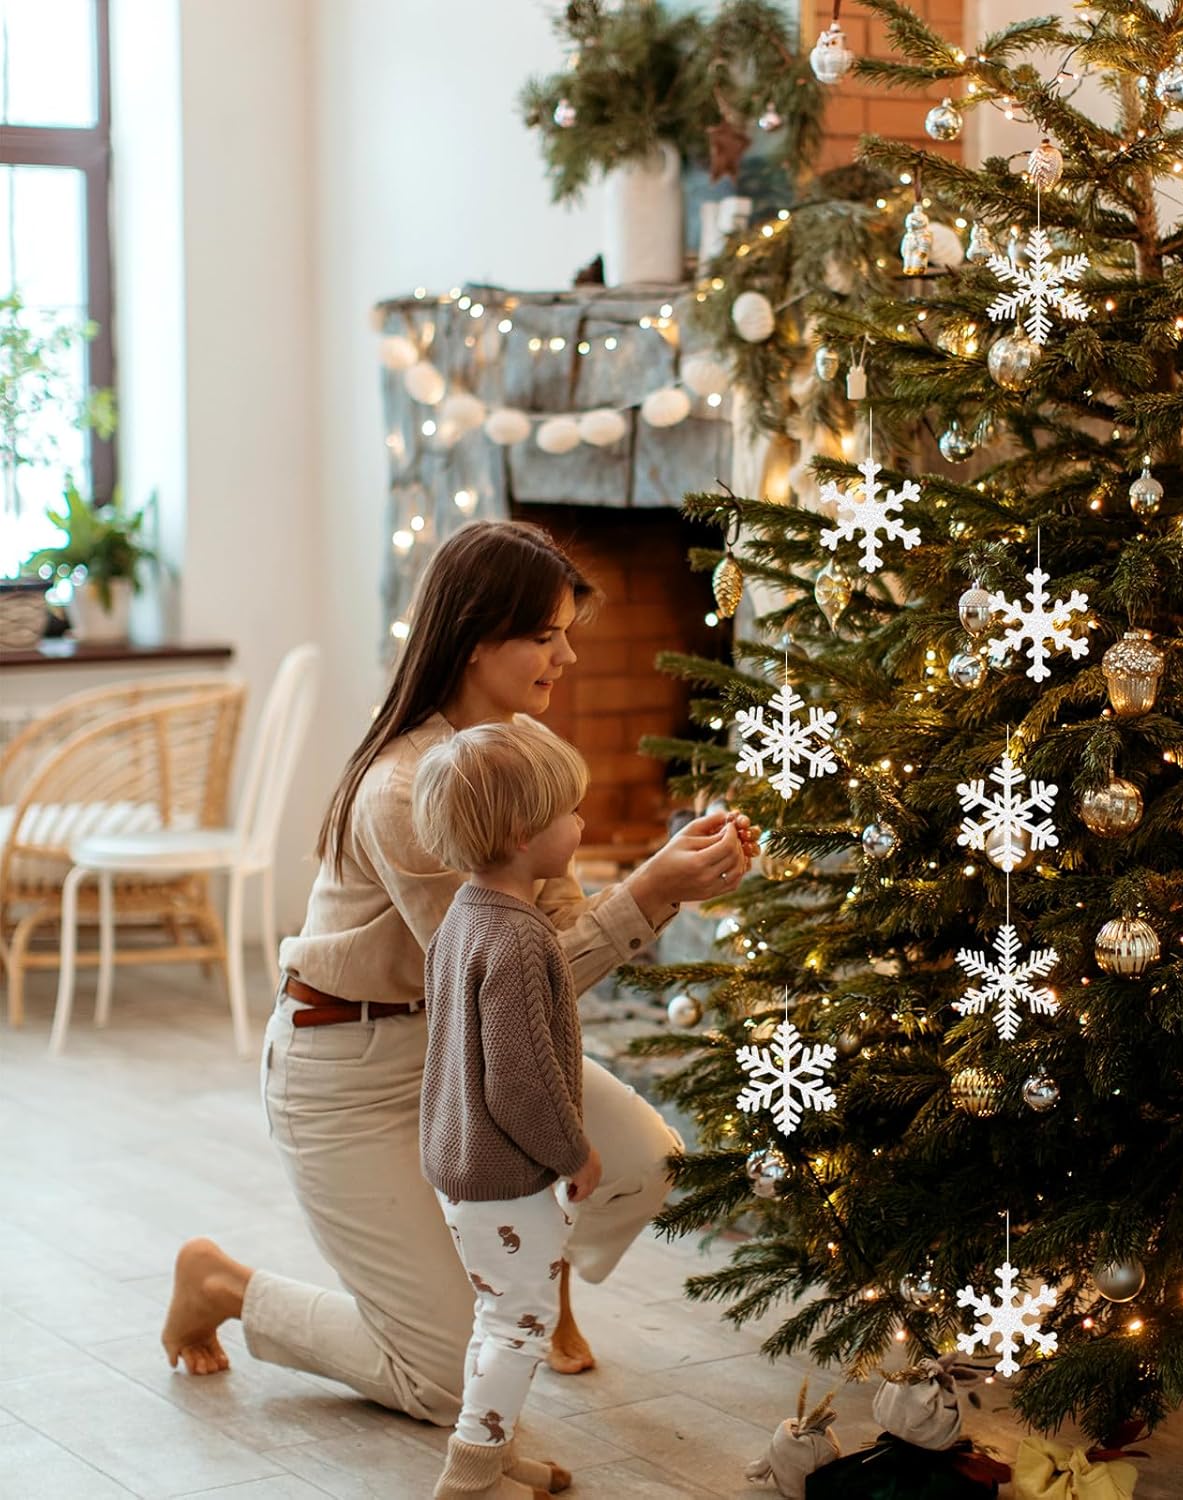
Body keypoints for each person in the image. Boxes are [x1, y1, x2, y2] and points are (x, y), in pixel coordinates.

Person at [161, 519, 755, 1430]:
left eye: (568, 633)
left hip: (457, 1053)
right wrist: (650, 889)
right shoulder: (410, 790)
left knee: (644, 1164)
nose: (565, 656)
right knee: (444, 1381)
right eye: (544, 635)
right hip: (348, 1071)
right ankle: (226, 1285)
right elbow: (507, 983)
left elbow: (544, 952)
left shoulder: (513, 757)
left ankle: (529, 1270)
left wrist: (663, 883)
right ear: (478, 639)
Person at [412, 718, 600, 1498]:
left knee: (499, 1316)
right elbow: (520, 1083)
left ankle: (498, 1448)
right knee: (518, 1325)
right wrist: (575, 1153)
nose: (582, 823)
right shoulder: (521, 940)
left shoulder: (464, 915)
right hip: (507, 1172)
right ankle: (472, 1472)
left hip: (460, 1163)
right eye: (570, 812)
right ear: (525, 834)